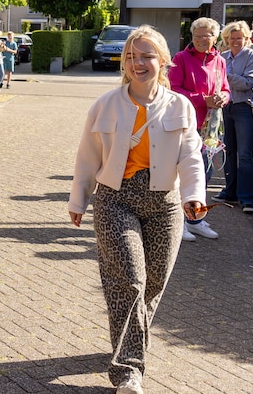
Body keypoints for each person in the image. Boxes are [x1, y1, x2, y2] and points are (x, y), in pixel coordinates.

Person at [69, 25, 206, 394]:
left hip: (164, 203)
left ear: (163, 61)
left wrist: (193, 194)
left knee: (154, 283)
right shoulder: (105, 104)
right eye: (131, 56)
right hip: (115, 198)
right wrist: (79, 199)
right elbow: (88, 155)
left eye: (146, 56)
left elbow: (191, 156)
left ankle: (126, 343)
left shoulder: (179, 106)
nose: (137, 63)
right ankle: (128, 371)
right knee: (129, 281)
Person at [168, 17, 229, 241]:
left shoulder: (219, 60)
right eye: (197, 36)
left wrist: (223, 97)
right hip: (186, 124)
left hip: (211, 128)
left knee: (205, 173)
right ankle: (179, 221)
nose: (202, 40)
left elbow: (226, 87)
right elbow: (173, 90)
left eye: (207, 36)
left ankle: (195, 219)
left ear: (215, 37)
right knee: (185, 174)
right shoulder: (181, 58)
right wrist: (203, 99)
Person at [217, 21, 253, 213]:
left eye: (239, 38)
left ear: (246, 38)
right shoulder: (223, 56)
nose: (235, 41)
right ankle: (230, 191)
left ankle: (248, 198)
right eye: (232, 38)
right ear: (226, 39)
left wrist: (226, 76)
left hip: (245, 107)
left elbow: (249, 82)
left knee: (245, 154)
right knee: (228, 151)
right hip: (226, 107)